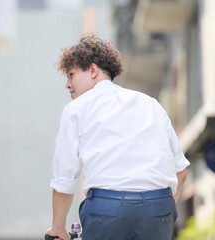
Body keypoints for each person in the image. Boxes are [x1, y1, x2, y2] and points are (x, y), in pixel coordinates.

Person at [45, 33, 190, 240]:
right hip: (158, 209)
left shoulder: (76, 109)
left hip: (107, 209)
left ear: (93, 70)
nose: (68, 84)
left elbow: (64, 178)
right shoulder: (151, 104)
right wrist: (160, 213)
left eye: (71, 75)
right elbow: (181, 172)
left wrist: (58, 229)